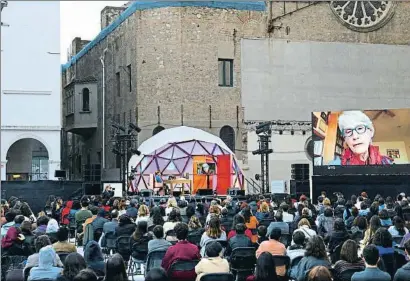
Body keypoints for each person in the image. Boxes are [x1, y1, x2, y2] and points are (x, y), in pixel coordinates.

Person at [329, 111, 393, 165]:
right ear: (345, 139)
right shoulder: (336, 164)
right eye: (348, 131)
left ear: (371, 132)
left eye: (360, 128)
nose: (355, 136)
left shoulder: (387, 163)